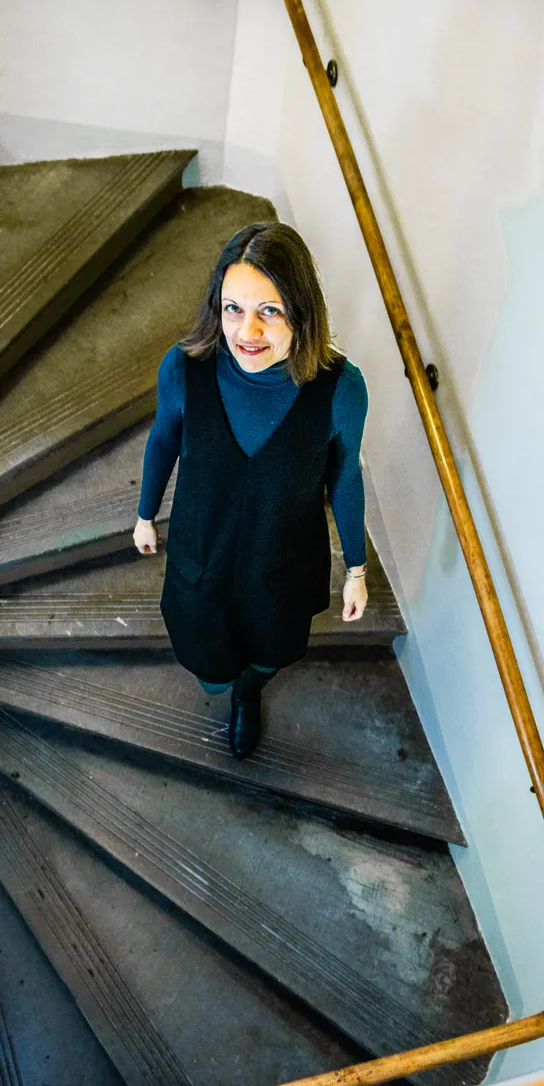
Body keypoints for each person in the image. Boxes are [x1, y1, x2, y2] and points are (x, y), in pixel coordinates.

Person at [133, 222, 369, 759]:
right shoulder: (185, 369)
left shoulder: (340, 390)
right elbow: (163, 438)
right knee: (209, 667)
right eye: (233, 308)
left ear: (300, 312)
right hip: (202, 557)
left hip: (282, 566)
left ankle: (248, 695)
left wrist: (356, 570)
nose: (247, 332)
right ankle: (228, 686)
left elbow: (347, 476)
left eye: (270, 310)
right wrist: (146, 515)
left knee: (269, 653)